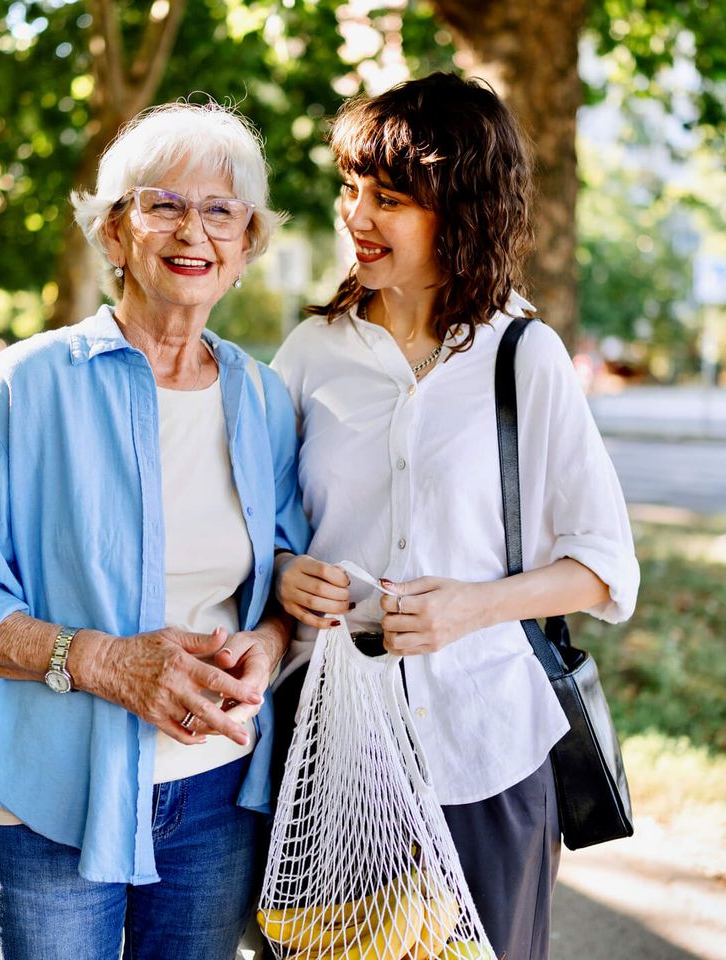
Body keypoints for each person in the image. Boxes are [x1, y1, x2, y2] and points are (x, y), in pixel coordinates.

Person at [0, 100, 308, 960]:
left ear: (244, 246)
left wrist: (270, 646)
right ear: (116, 232)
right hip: (51, 791)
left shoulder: (263, 399)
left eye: (220, 210)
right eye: (163, 204)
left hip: (213, 797)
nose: (191, 229)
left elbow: (284, 580)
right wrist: (106, 663)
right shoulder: (27, 384)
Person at [270, 72, 639, 960]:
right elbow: (261, 521)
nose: (355, 214)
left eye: (387, 198)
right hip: (335, 753)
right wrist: (286, 571)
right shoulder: (309, 354)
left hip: (487, 748)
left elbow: (603, 564)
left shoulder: (526, 358)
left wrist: (469, 606)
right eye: (350, 189)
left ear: (460, 209)